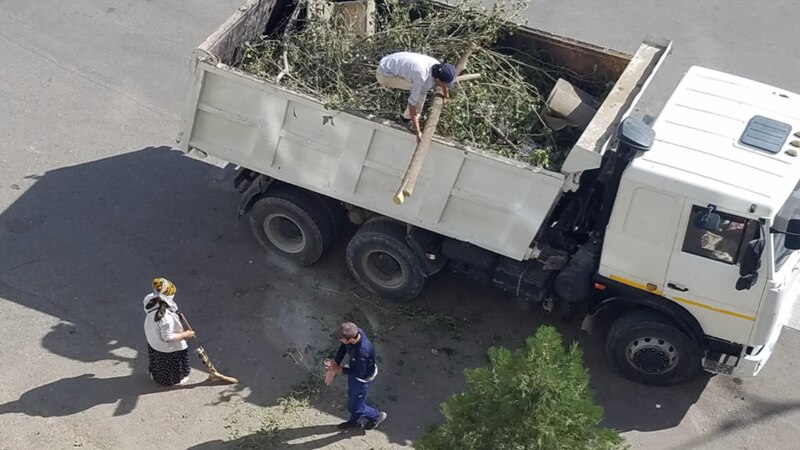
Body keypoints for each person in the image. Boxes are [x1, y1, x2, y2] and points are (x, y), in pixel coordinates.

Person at [375, 51, 456, 142]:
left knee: (422, 88)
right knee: (420, 91)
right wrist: (418, 132)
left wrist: (446, 96)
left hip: (388, 61)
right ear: (438, 79)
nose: (446, 86)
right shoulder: (422, 79)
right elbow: (412, 105)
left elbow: (443, 84)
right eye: (444, 84)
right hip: (383, 75)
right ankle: (405, 120)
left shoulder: (436, 65)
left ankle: (410, 116)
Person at [324, 322, 387, 430]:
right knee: (352, 398)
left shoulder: (363, 352)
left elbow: (360, 373)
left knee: (354, 406)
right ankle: (355, 422)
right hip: (355, 373)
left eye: (342, 339)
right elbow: (343, 346)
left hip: (362, 379)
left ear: (351, 340)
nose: (341, 341)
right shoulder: (355, 332)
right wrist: (336, 363)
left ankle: (376, 416)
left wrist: (339, 369)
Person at [143, 278, 195, 386]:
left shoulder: (150, 299)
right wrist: (185, 334)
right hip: (165, 348)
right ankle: (175, 380)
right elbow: (167, 337)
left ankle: (156, 375)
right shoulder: (166, 318)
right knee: (171, 363)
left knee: (157, 359)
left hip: (152, 336)